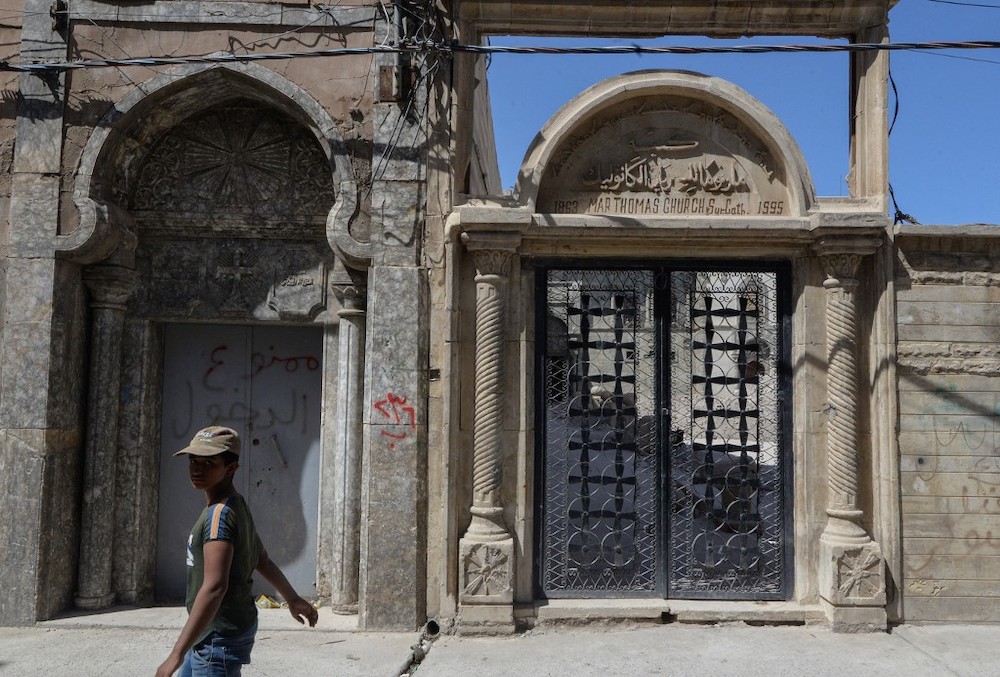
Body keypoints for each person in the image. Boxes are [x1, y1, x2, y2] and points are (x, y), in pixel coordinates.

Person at [156, 425, 318, 677]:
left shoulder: (219, 516)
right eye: (193, 461)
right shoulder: (233, 505)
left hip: (216, 639)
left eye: (209, 463)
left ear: (230, 469)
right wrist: (293, 599)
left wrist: (174, 656)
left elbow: (214, 588)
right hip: (211, 633)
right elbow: (260, 558)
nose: (197, 469)